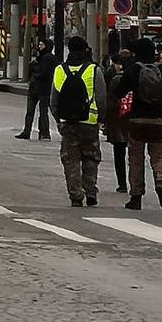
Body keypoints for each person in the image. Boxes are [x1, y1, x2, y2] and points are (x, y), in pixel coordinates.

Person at [115, 37, 162, 210]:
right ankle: (160, 181)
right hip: (158, 120)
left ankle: (136, 196)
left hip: (136, 120)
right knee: (158, 155)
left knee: (136, 158)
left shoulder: (133, 69)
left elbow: (119, 91)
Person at [50, 35, 106, 207]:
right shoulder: (93, 70)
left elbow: (54, 100)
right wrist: (101, 118)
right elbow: (101, 97)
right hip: (90, 122)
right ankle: (90, 191)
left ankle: (75, 195)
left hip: (68, 122)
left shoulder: (60, 70)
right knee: (91, 157)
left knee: (71, 160)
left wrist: (58, 119)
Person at [15, 38, 56, 140]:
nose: (39, 47)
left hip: (42, 88)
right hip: (37, 88)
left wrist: (35, 74)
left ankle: (40, 132)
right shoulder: (40, 58)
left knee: (39, 112)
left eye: (42, 45)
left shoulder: (48, 58)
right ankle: (40, 132)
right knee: (36, 111)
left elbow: (45, 73)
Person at [103, 47, 131, 193]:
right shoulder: (137, 76)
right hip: (133, 121)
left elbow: (110, 102)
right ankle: (137, 184)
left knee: (119, 154)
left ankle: (123, 183)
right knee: (135, 155)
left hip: (118, 120)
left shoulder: (115, 79)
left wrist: (105, 122)